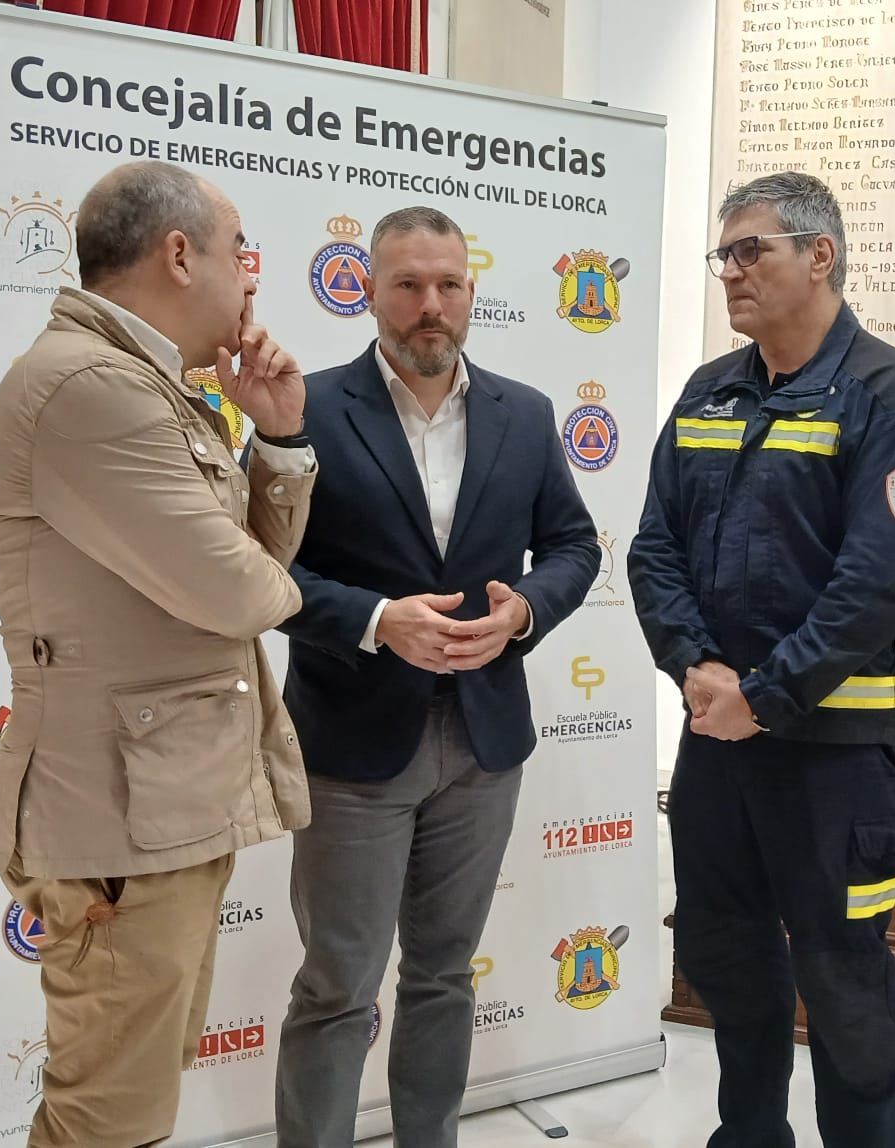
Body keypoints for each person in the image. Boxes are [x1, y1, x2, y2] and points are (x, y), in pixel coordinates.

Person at [0, 159, 316, 1148]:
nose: (249, 281)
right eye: (236, 253)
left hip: (156, 803)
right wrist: (315, 595)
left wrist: (282, 437)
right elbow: (242, 589)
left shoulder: (147, 383)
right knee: (105, 1118)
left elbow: (245, 566)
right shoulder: (92, 386)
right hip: (117, 812)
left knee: (130, 1099)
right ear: (178, 254)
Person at [629, 170, 895, 1148]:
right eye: (723, 254)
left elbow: (878, 585)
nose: (731, 272)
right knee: (727, 958)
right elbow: (654, 548)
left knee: (843, 973)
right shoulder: (709, 391)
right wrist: (694, 665)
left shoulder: (890, 400)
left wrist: (764, 696)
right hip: (719, 744)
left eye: (750, 250)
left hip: (834, 755)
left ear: (820, 255)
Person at [273, 206, 599, 1147]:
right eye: (408, 285)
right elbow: (269, 568)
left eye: (447, 285)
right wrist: (378, 622)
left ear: (471, 292)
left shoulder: (527, 414)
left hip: (484, 742)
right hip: (352, 742)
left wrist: (525, 611)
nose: (430, 306)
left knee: (446, 974)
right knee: (338, 984)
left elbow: (575, 545)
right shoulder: (311, 409)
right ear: (368, 289)